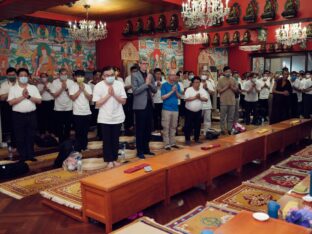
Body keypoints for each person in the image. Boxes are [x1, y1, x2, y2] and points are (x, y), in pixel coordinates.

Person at [93, 66, 127, 168]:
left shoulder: (119, 84)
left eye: (112, 75)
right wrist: (108, 95)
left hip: (117, 116)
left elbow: (124, 101)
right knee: (107, 140)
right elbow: (97, 104)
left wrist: (114, 95)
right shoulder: (98, 86)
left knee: (115, 139)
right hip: (105, 117)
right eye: (107, 75)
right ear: (103, 76)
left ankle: (114, 159)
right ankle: (109, 160)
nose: (110, 77)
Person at [8, 68, 42, 161]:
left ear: (28, 77)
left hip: (31, 115)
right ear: (18, 77)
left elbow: (39, 101)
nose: (23, 77)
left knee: (31, 136)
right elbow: (11, 103)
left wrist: (29, 97)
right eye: (21, 75)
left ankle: (31, 155)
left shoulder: (33, 88)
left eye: (25, 76)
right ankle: (23, 156)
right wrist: (23, 96)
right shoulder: (13, 88)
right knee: (20, 137)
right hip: (18, 116)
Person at [132, 57, 157, 159]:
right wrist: (146, 84)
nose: (145, 65)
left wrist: (150, 83)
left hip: (149, 104)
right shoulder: (134, 75)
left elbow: (155, 90)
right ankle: (140, 151)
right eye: (143, 63)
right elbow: (135, 91)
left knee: (148, 128)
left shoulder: (150, 75)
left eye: (147, 63)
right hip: (140, 106)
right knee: (140, 129)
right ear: (139, 64)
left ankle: (146, 149)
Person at [69, 70, 92, 152]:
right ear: (75, 77)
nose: (80, 78)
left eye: (81, 76)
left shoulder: (87, 86)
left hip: (87, 112)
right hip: (77, 113)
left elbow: (90, 98)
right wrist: (79, 90)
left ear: (84, 77)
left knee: (85, 132)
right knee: (78, 132)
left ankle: (84, 147)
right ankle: (78, 148)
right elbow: (72, 98)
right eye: (78, 76)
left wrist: (84, 90)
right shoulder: (72, 86)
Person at [50, 68, 74, 143]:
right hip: (58, 108)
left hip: (69, 107)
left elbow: (72, 96)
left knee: (68, 126)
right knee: (59, 126)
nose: (64, 76)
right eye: (62, 74)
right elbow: (54, 95)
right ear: (59, 75)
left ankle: (67, 142)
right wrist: (62, 88)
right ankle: (61, 142)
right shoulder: (54, 82)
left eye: (65, 74)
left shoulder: (71, 82)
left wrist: (66, 89)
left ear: (67, 75)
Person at [184, 76, 208, 145]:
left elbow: (206, 99)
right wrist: (195, 97)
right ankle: (187, 139)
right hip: (189, 110)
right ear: (192, 83)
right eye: (195, 82)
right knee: (188, 125)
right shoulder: (189, 89)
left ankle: (196, 138)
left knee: (198, 125)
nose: (197, 84)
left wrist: (199, 97)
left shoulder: (202, 90)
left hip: (198, 111)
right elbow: (186, 99)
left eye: (198, 82)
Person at [161, 72, 182, 150]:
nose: (173, 77)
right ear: (168, 76)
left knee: (173, 127)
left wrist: (176, 91)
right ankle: (166, 144)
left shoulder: (177, 85)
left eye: (174, 75)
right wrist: (172, 91)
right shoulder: (164, 85)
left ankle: (172, 143)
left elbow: (180, 97)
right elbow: (163, 97)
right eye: (172, 75)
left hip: (175, 109)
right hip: (166, 109)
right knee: (166, 127)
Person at [217, 66, 237, 135]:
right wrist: (226, 87)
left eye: (229, 72)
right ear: (224, 72)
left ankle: (229, 129)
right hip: (223, 101)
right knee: (222, 117)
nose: (228, 73)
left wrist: (231, 87)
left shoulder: (233, 79)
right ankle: (222, 129)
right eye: (227, 72)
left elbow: (236, 90)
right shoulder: (220, 80)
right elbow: (219, 91)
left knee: (231, 117)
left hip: (232, 101)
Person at [0, 67, 17, 147]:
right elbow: (2, 97)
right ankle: (10, 142)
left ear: (16, 75)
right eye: (10, 75)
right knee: (9, 125)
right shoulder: (4, 84)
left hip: (19, 106)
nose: (12, 76)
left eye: (13, 75)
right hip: (8, 107)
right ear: (7, 76)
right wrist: (12, 91)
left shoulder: (20, 83)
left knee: (18, 125)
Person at [37, 72, 54, 139]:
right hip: (42, 103)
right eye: (42, 77)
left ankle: (51, 132)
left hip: (50, 103)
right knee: (42, 119)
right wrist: (43, 89)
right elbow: (38, 95)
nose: (43, 78)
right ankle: (42, 132)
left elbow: (54, 95)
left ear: (47, 77)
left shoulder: (51, 84)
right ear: (40, 78)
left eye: (45, 76)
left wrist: (48, 90)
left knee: (51, 118)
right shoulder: (39, 85)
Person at [124, 65, 138, 135]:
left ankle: (137, 126)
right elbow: (125, 88)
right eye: (133, 72)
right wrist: (132, 85)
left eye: (136, 71)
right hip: (130, 96)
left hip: (138, 96)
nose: (134, 73)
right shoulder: (127, 78)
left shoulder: (140, 78)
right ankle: (130, 126)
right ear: (130, 72)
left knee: (138, 111)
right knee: (130, 112)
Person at [152, 68, 164, 132]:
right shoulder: (152, 83)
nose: (158, 75)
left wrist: (161, 86)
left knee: (162, 116)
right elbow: (151, 93)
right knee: (155, 116)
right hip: (155, 101)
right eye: (157, 74)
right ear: (154, 74)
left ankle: (162, 128)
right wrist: (156, 87)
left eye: (159, 74)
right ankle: (156, 128)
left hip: (162, 101)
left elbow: (166, 91)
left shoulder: (164, 82)